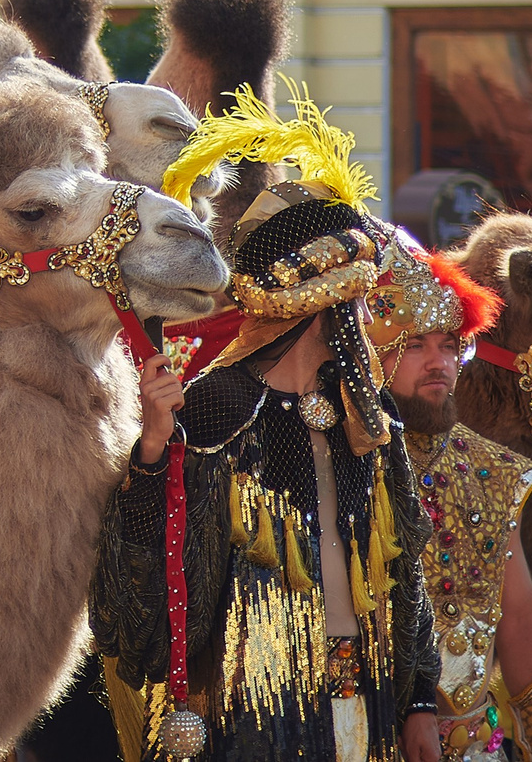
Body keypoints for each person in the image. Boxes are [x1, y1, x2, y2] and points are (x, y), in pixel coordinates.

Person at [94, 89, 438, 762]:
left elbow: (407, 574)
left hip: (368, 707)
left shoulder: (370, 417)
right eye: (360, 299)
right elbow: (145, 602)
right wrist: (155, 450)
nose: (368, 319)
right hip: (248, 716)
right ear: (324, 306)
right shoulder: (212, 409)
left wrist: (419, 699)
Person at [367, 225, 532, 762]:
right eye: (415, 345)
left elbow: (523, 624)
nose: (439, 363)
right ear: (370, 352)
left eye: (450, 345)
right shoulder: (340, 460)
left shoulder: (494, 469)